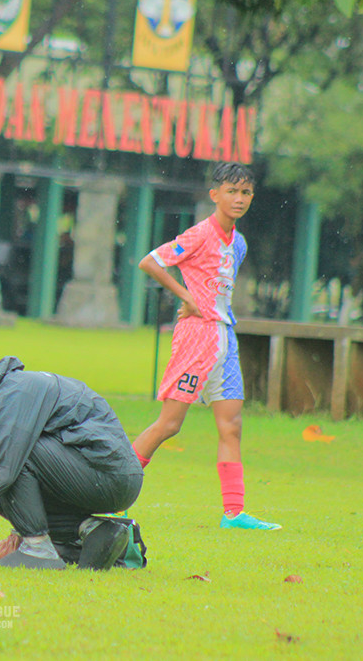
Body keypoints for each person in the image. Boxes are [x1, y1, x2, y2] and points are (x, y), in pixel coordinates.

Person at [132, 162, 281, 531]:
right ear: (215, 195)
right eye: (232, 191)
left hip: (225, 338)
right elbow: (151, 262)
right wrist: (186, 297)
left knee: (231, 425)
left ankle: (234, 513)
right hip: (197, 338)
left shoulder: (239, 243)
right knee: (169, 425)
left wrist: (202, 302)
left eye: (246, 193)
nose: (239, 199)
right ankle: (112, 495)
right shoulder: (199, 234)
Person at [0, 348, 144, 570]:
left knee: (11, 460)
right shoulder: (3, 397)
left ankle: (38, 549)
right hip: (99, 475)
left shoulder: (15, 394)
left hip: (109, 476)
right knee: (0, 489)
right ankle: (92, 530)